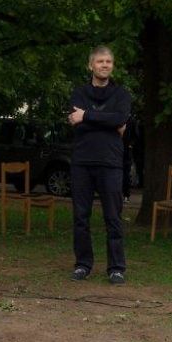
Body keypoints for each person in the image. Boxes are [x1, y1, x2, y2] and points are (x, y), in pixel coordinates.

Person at [68, 45, 131, 284]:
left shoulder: (122, 95)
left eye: (108, 62)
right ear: (91, 65)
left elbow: (121, 118)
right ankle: (83, 264)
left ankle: (116, 267)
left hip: (111, 163)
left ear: (112, 66)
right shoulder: (79, 93)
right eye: (100, 61)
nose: (104, 65)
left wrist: (87, 116)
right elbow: (81, 123)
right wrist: (108, 122)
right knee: (81, 217)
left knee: (113, 217)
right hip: (82, 163)